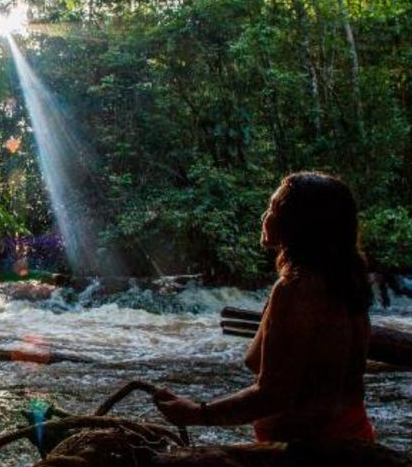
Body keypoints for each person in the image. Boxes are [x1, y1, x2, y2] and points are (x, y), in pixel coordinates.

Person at [154, 171, 376, 442]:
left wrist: (195, 413)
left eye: (273, 209)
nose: (265, 217)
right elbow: (259, 361)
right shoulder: (347, 282)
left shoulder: (296, 290)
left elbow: (273, 396)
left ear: (298, 223)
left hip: (309, 455)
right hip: (353, 436)